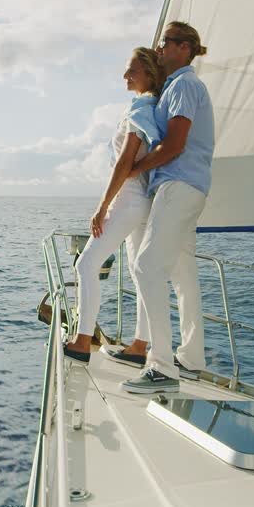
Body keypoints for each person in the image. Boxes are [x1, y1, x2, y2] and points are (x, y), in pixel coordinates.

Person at [120, 21, 215, 394]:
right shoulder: (178, 87)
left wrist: (134, 169)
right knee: (182, 275)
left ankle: (161, 367)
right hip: (189, 187)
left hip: (178, 185)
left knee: (145, 265)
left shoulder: (184, 85)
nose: (160, 49)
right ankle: (190, 359)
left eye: (167, 43)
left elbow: (174, 145)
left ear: (186, 48)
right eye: (161, 44)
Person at [64, 47, 165, 366]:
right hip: (142, 201)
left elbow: (125, 162)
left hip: (128, 199)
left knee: (86, 265)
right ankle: (139, 346)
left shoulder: (140, 109)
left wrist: (102, 205)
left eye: (131, 70)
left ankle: (82, 341)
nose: (125, 76)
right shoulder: (148, 108)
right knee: (140, 274)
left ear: (148, 74)